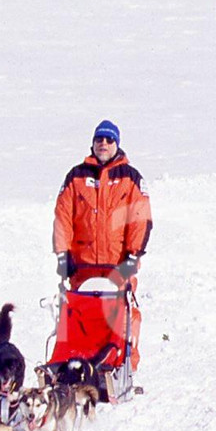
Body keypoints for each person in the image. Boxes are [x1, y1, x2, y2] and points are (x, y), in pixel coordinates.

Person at [53, 120, 152, 369]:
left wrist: (132, 257)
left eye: (109, 140)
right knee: (78, 315)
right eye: (100, 140)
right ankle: (74, 363)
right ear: (93, 143)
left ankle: (123, 363)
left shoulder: (131, 178)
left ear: (116, 144)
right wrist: (63, 256)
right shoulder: (76, 177)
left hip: (118, 264)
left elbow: (140, 220)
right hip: (82, 264)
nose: (104, 144)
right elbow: (62, 217)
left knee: (122, 314)